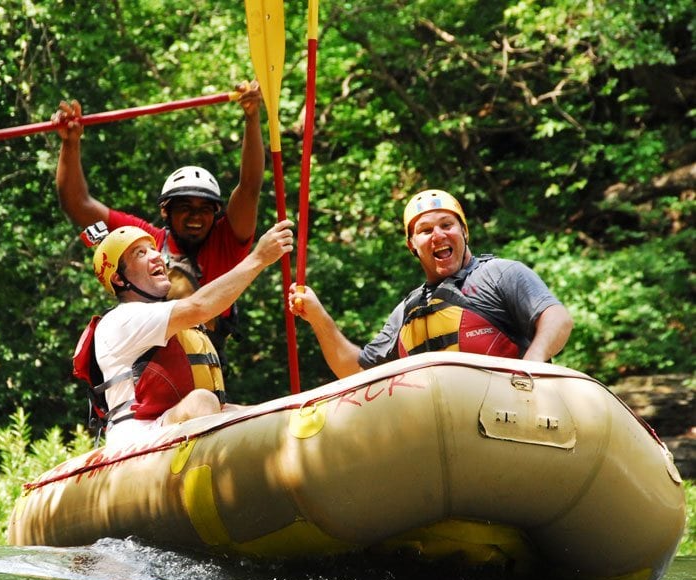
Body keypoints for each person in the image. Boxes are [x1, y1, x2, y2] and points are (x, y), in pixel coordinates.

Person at [53, 80, 265, 355]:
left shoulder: (228, 242)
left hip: (201, 366)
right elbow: (77, 204)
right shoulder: (144, 241)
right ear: (166, 211)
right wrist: (70, 144)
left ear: (216, 215)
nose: (195, 217)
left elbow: (249, 187)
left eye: (204, 209)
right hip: (146, 364)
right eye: (185, 208)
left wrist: (252, 117)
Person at [288, 189, 573, 379]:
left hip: (515, 409)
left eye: (447, 225)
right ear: (412, 245)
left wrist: (531, 365)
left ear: (464, 231)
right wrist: (318, 317)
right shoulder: (406, 311)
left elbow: (557, 318)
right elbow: (356, 371)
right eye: (425, 230)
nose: (437, 235)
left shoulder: (500, 273)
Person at [88, 219, 294, 448]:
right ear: (119, 278)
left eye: (154, 249)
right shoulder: (121, 319)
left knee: (262, 413)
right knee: (202, 401)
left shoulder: (161, 319)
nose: (156, 256)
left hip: (171, 428)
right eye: (140, 253)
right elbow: (200, 307)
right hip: (137, 442)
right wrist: (258, 258)